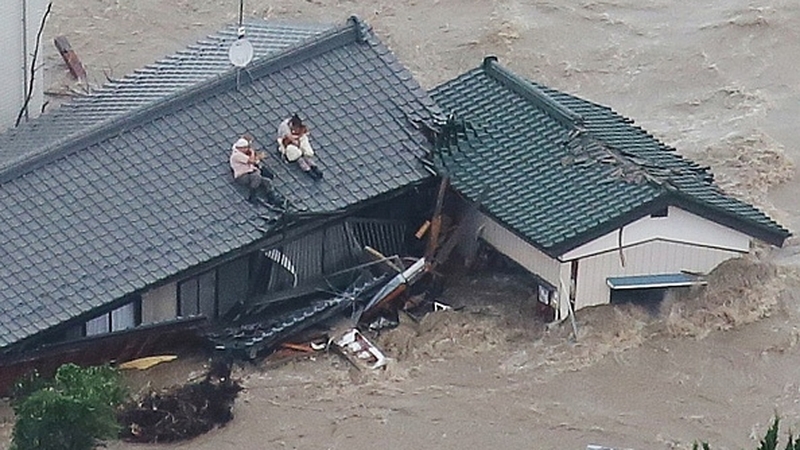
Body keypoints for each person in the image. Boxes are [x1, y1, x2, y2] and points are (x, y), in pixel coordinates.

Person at [229, 137, 284, 206]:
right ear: (241, 148)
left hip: (250, 174)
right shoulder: (236, 155)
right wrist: (252, 152)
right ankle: (252, 195)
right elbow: (252, 161)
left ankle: (271, 198)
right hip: (242, 176)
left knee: (267, 181)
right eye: (246, 148)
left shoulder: (243, 154)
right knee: (256, 176)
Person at [277, 114, 322, 180]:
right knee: (298, 156)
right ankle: (308, 170)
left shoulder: (298, 124)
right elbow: (289, 138)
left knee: (305, 153)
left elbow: (305, 132)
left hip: (296, 140)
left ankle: (314, 166)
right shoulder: (285, 127)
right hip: (285, 142)